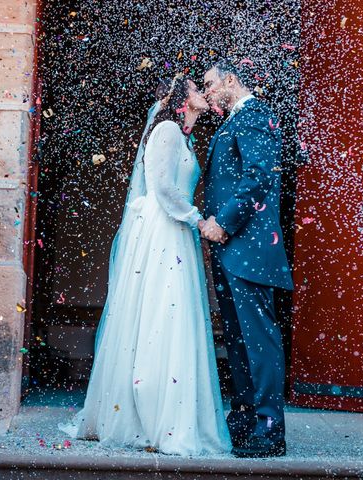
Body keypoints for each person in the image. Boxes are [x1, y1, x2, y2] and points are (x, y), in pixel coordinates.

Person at [58, 73, 231, 456]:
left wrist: (191, 219)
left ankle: (169, 413)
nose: (202, 93)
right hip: (163, 229)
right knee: (160, 313)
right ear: (180, 99)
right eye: (195, 88)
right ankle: (149, 417)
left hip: (178, 230)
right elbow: (163, 188)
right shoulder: (167, 129)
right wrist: (198, 220)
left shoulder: (184, 135)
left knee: (176, 316)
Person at [201, 59, 295, 458]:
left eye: (209, 85)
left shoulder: (256, 115)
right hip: (230, 250)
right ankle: (245, 418)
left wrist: (223, 222)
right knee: (238, 342)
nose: (206, 93)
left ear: (230, 80)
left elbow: (259, 176)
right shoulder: (230, 122)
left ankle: (270, 428)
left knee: (259, 341)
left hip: (250, 248)